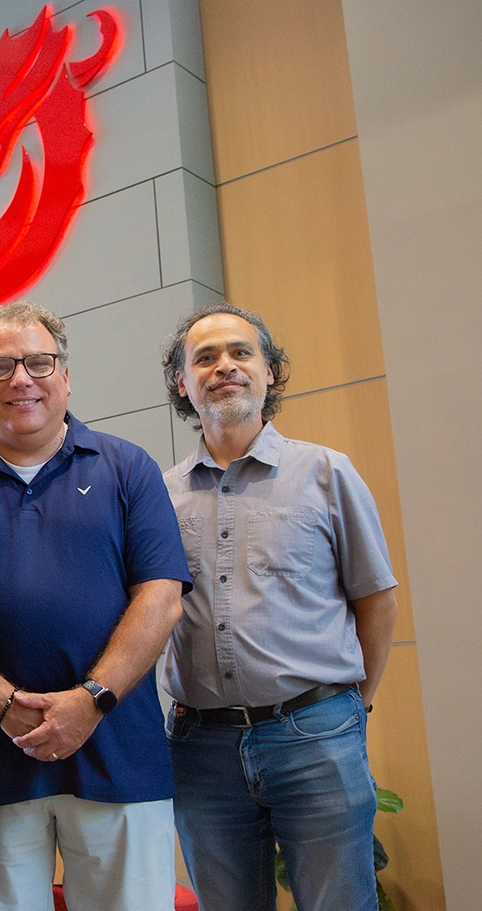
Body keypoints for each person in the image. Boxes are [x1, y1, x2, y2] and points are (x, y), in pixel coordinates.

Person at [0, 300, 191, 911]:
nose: (21, 379)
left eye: (39, 362)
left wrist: (91, 700)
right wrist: (4, 705)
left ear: (65, 375)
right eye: (1, 366)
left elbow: (162, 598)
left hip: (119, 754)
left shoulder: (127, 467)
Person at [159, 303, 398, 911]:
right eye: (204, 358)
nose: (224, 366)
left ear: (269, 371)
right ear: (182, 383)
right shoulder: (160, 496)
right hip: (200, 749)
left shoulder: (326, 473)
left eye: (241, 352)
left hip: (316, 735)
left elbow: (376, 602)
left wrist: (356, 706)